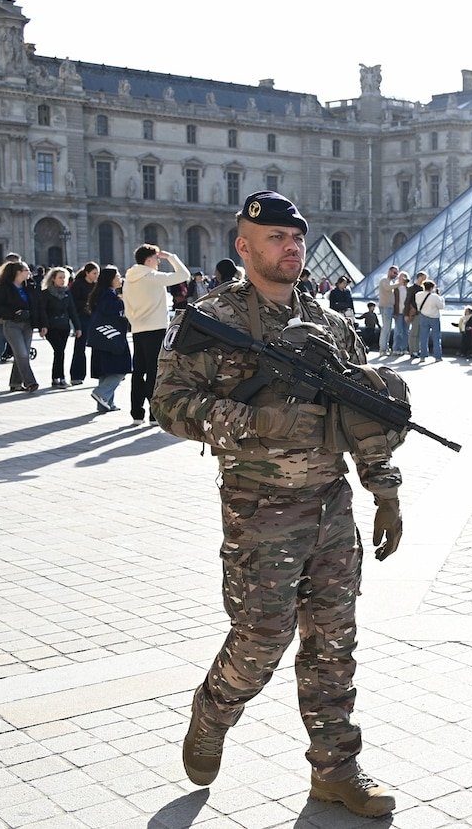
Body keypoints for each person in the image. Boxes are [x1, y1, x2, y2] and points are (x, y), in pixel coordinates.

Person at [152, 191, 405, 818]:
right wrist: (253, 421)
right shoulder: (213, 319)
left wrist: (385, 489)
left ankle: (336, 770)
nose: (290, 247)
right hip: (258, 509)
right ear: (245, 246)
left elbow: (363, 413)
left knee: (332, 641)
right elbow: (168, 406)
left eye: (297, 238)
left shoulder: (329, 324)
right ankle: (212, 712)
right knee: (262, 637)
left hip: (330, 504)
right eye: (275, 238)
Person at [121, 244, 191, 426]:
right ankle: (153, 414)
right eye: (157, 258)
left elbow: (126, 306)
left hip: (137, 328)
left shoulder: (128, 279)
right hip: (156, 328)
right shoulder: (152, 277)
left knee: (138, 372)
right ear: (149, 260)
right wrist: (172, 257)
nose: (159, 261)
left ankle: (136, 413)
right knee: (154, 371)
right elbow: (184, 276)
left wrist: (134, 321)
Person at [0, 261, 38, 392]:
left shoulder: (29, 286)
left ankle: (15, 383)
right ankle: (30, 382)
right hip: (12, 324)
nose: (29, 273)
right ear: (18, 272)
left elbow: (36, 304)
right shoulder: (5, 287)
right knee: (22, 353)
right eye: (26, 270)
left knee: (22, 354)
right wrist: (12, 313)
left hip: (28, 324)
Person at [87, 267, 128, 412]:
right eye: (117, 276)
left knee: (106, 370)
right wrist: (123, 302)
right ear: (109, 279)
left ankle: (106, 403)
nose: (120, 279)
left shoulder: (102, 292)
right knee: (120, 368)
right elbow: (108, 309)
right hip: (111, 336)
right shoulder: (107, 294)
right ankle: (101, 393)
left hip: (103, 337)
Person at [38, 267, 80, 389]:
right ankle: (59, 377)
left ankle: (57, 378)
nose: (63, 280)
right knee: (59, 351)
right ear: (53, 279)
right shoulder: (46, 293)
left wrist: (77, 327)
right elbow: (43, 311)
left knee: (60, 352)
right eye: (60, 278)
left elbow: (72, 311)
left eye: (64, 278)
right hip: (51, 327)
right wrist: (44, 326)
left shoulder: (67, 293)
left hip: (64, 327)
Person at [68, 263, 99, 385]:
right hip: (82, 318)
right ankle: (76, 375)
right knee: (80, 347)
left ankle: (98, 373)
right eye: (94, 273)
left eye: (97, 274)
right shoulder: (78, 284)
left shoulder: (97, 285)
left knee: (97, 346)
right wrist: (87, 305)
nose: (96, 276)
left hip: (94, 318)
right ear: (87, 273)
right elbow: (73, 303)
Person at [412, 279, 444, 361]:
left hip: (423, 316)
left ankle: (423, 355)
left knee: (423, 337)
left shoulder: (418, 295)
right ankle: (437, 356)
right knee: (436, 337)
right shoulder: (435, 297)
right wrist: (440, 297)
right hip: (434, 317)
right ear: (432, 287)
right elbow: (441, 306)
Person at [375, 266, 400, 354]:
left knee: (388, 328)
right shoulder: (384, 280)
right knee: (385, 328)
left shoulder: (390, 281)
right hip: (386, 307)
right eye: (394, 272)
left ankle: (385, 347)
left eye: (396, 273)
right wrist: (399, 284)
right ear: (389, 271)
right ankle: (382, 349)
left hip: (389, 307)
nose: (395, 275)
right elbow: (388, 288)